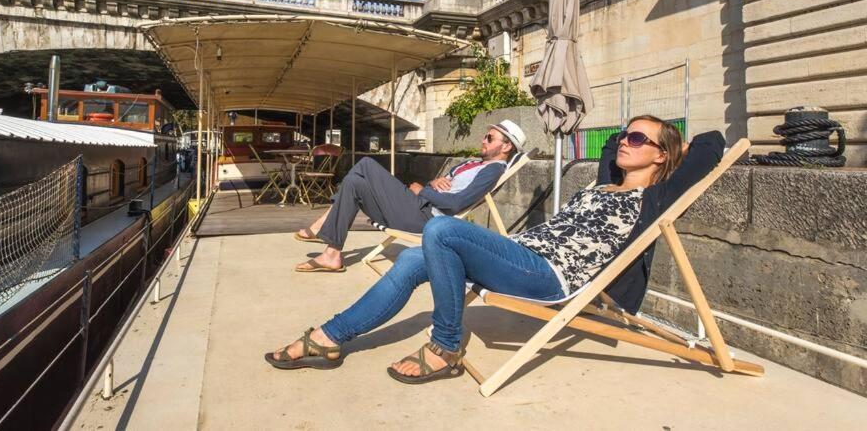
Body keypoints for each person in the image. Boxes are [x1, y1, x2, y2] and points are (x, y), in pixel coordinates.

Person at [266, 115, 725, 385]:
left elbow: (712, 144)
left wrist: (675, 144)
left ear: (663, 155)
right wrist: (633, 137)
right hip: (518, 253)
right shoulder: (605, 183)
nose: (625, 141)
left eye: (640, 139)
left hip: (551, 276)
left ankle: (445, 348)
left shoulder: (656, 198)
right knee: (410, 257)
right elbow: (607, 144)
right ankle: (330, 338)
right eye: (626, 134)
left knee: (441, 232)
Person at [291, 120, 526, 273]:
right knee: (354, 181)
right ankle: (332, 254)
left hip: (423, 217)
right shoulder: (474, 163)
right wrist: (431, 184)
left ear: (506, 147)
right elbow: (443, 184)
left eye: (490, 138)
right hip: (416, 206)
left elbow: (457, 203)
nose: (483, 140)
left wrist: (421, 190)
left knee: (366, 164)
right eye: (485, 136)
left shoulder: (493, 170)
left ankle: (324, 222)